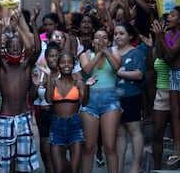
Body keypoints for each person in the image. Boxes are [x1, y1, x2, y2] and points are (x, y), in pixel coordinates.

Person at [0, 6, 41, 173]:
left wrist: (33, 23)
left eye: (18, 45)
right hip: (5, 119)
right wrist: (1, 28)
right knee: (3, 163)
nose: (16, 48)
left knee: (23, 163)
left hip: (24, 119)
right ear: (7, 49)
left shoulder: (25, 67)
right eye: (12, 46)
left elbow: (38, 49)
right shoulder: (2, 67)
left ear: (22, 49)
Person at [152, 6, 180, 167]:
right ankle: (178, 149)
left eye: (172, 15)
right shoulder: (167, 34)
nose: (168, 18)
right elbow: (159, 55)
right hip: (172, 74)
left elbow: (171, 54)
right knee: (175, 113)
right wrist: (159, 36)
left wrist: (160, 37)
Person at [78, 28, 121, 173]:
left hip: (110, 101)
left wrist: (106, 51)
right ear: (92, 41)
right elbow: (87, 70)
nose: (100, 40)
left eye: (104, 38)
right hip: (90, 100)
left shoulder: (114, 53)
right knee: (89, 146)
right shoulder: (85, 55)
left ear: (109, 41)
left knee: (109, 146)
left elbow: (116, 67)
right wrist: (99, 53)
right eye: (97, 37)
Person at [37, 52, 88, 173]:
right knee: (58, 170)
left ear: (74, 65)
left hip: (75, 125)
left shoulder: (79, 83)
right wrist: (48, 76)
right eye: (63, 62)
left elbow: (84, 103)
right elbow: (49, 100)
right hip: (57, 125)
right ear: (58, 65)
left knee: (75, 169)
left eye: (70, 62)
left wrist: (88, 87)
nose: (66, 65)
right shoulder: (53, 81)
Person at [114, 22, 146, 173]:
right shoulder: (110, 51)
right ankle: (118, 167)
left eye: (121, 33)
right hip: (113, 97)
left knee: (134, 129)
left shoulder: (136, 53)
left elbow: (139, 74)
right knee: (119, 133)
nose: (117, 36)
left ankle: (135, 165)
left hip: (132, 96)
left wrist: (118, 71)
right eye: (115, 34)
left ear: (130, 36)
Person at [140, 18, 171, 170]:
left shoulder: (174, 40)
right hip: (162, 92)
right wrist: (150, 47)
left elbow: (168, 57)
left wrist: (160, 38)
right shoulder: (155, 44)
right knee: (157, 133)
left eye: (161, 24)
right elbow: (149, 67)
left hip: (177, 90)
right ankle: (157, 168)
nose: (158, 27)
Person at [30, 42, 61, 173]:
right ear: (46, 58)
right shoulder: (40, 73)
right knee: (45, 150)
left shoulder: (65, 73)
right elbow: (31, 98)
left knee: (59, 153)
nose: (54, 58)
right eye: (51, 56)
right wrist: (36, 84)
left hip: (59, 116)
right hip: (43, 115)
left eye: (56, 56)